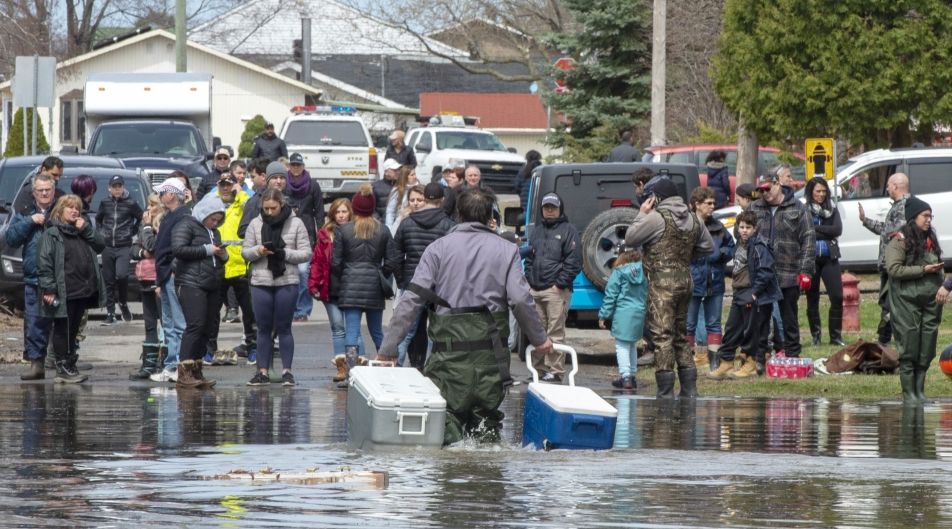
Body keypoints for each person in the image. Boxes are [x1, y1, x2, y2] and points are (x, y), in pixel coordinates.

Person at [377, 187, 553, 445]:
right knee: (486, 425)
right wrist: (539, 339)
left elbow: (411, 300)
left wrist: (388, 348)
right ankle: (487, 480)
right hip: (490, 358)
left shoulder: (437, 249)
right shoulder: (507, 250)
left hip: (447, 360)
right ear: (490, 216)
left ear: (458, 214)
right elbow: (520, 300)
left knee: (446, 424)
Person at [625, 178, 714, 398]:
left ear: (656, 197)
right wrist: (685, 257)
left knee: (662, 336)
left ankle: (665, 392)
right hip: (686, 281)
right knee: (681, 335)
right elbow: (708, 247)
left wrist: (641, 214)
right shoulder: (694, 219)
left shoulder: (656, 218)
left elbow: (630, 238)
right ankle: (689, 389)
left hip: (662, 286)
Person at [242, 188, 311, 386]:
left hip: (287, 280)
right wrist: (259, 250)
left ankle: (287, 372)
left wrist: (284, 253)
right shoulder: (256, 223)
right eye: (266, 208)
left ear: (281, 205)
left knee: (284, 328)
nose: (269, 212)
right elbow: (245, 252)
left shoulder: (296, 223)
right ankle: (262, 372)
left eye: (273, 208)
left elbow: (306, 253)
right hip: (261, 281)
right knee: (263, 328)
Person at [37, 194, 106, 384]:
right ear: (60, 210)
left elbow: (100, 245)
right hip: (63, 289)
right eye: (70, 207)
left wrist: (86, 229)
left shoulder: (81, 231)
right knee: (62, 328)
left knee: (74, 328)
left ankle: (69, 362)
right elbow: (44, 263)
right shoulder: (52, 234)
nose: (75, 211)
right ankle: (62, 366)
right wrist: (49, 289)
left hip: (82, 288)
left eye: (77, 208)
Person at [331, 184, 394, 384]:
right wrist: (380, 274)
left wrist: (344, 278)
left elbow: (336, 262)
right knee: (377, 330)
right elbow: (391, 261)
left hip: (350, 285)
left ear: (355, 208)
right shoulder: (383, 230)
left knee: (352, 331)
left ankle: (351, 373)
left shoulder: (344, 230)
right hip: (374, 285)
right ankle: (387, 368)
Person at [750, 168, 815, 360]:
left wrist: (805, 270)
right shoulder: (754, 208)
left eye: (768, 189)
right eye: (761, 191)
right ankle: (759, 357)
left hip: (789, 272)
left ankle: (793, 355)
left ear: (778, 184)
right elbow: (742, 234)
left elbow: (809, 239)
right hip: (763, 275)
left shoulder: (798, 207)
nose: (764, 194)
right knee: (761, 319)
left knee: (789, 318)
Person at [708, 211, 781, 380]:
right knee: (732, 329)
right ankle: (726, 362)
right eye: (741, 227)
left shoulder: (759, 246)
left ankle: (752, 363)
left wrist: (756, 292)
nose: (744, 230)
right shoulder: (739, 244)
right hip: (739, 292)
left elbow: (766, 271)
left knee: (753, 331)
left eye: (748, 227)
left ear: (755, 229)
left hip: (754, 294)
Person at [389, 182, 455, 367]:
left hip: (413, 282)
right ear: (442, 200)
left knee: (406, 329)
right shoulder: (449, 225)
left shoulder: (407, 223)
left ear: (424, 198)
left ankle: (395, 369)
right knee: (438, 331)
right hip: (440, 286)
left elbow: (394, 256)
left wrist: (403, 281)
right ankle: (435, 371)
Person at [886, 197, 943, 403]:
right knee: (909, 345)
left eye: (930, 216)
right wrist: (923, 269)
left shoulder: (930, 240)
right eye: (925, 216)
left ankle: (920, 392)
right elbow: (893, 269)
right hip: (905, 300)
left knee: (927, 346)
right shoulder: (899, 240)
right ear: (913, 217)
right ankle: (908, 394)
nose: (929, 220)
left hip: (931, 300)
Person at [171, 194, 228, 389]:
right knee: (195, 325)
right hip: (190, 282)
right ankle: (184, 370)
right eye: (212, 219)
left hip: (211, 284)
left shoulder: (214, 232)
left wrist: (223, 255)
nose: (215, 223)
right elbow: (178, 249)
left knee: (207, 328)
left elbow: (215, 255)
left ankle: (196, 369)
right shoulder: (187, 225)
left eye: (218, 221)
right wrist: (206, 250)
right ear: (204, 213)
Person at [524, 192, 582, 382]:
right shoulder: (537, 231)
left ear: (560, 209)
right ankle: (538, 371)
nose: (549, 211)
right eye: (546, 207)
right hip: (535, 288)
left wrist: (560, 284)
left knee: (555, 331)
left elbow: (574, 261)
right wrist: (529, 279)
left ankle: (556, 372)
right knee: (536, 331)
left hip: (556, 291)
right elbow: (529, 258)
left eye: (553, 208)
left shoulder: (569, 230)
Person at [308, 198, 366, 383]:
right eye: (338, 212)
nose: (341, 215)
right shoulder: (325, 234)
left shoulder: (358, 231)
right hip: (330, 287)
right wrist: (313, 284)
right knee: (338, 327)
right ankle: (342, 367)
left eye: (344, 211)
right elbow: (317, 261)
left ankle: (360, 366)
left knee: (354, 329)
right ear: (332, 214)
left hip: (351, 286)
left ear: (350, 212)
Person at [7, 174, 57, 380]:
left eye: (47, 189)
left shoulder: (62, 209)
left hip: (59, 278)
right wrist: (30, 221)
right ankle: (37, 364)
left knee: (61, 322)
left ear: (53, 190)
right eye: (40, 190)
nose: (44, 193)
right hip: (34, 278)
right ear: (34, 192)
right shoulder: (25, 212)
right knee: (35, 322)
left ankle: (64, 362)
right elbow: (11, 237)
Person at [203, 172, 256, 366]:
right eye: (222, 184)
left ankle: (253, 349)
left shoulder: (243, 203)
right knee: (212, 313)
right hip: (220, 267)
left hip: (241, 266)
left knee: (250, 314)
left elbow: (252, 205)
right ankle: (209, 351)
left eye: (229, 184)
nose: (226, 188)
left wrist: (240, 192)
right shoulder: (213, 203)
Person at [687, 187, 734, 372]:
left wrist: (721, 254)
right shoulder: (688, 225)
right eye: (708, 203)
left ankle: (714, 360)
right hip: (692, 280)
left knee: (714, 322)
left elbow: (730, 246)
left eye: (713, 203)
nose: (712, 206)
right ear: (697, 205)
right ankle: (687, 361)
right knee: (689, 323)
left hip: (714, 280)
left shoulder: (717, 226)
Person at [860, 172, 910, 347]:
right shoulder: (896, 206)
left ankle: (886, 341)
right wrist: (865, 220)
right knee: (887, 304)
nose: (887, 188)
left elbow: (891, 232)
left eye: (888, 185)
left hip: (895, 265)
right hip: (888, 264)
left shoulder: (904, 207)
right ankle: (884, 341)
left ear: (896, 186)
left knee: (892, 305)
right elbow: (886, 229)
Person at [150, 177, 190, 383]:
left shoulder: (182, 216)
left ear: (172, 194)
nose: (160, 196)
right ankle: (171, 365)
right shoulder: (170, 216)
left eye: (162, 192)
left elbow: (179, 247)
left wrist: (173, 271)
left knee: (178, 323)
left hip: (172, 275)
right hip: (165, 276)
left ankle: (180, 366)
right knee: (168, 324)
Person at [803, 177, 845, 347]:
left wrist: (816, 229)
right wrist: (824, 232)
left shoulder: (832, 209)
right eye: (817, 191)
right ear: (811, 192)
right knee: (812, 297)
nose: (821, 194)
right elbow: (805, 232)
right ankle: (816, 336)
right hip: (811, 258)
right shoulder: (804, 209)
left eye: (823, 191)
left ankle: (835, 336)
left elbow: (837, 230)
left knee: (837, 296)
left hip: (830, 257)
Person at [96, 174, 143, 324]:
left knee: (122, 275)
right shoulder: (104, 202)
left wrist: (133, 231)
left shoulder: (130, 203)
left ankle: (122, 302)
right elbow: (98, 218)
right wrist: (101, 233)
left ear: (123, 187)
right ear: (109, 188)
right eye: (114, 187)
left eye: (119, 186)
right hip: (108, 245)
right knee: (108, 279)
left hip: (124, 244)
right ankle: (110, 312)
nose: (117, 190)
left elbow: (141, 217)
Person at [598, 250, 647, 390]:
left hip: (623, 312)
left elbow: (610, 295)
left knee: (622, 345)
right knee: (632, 344)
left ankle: (625, 378)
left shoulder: (619, 272)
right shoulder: (645, 271)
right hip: (639, 312)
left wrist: (603, 315)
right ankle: (631, 376)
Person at [285, 152, 324, 322]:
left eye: (298, 165)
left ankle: (303, 309)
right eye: (293, 165)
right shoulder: (283, 184)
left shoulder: (313, 185)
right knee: (288, 272)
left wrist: (322, 233)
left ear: (303, 167)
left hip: (307, 233)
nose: (295, 168)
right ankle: (289, 308)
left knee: (302, 272)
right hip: (286, 232)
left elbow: (319, 211)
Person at [130, 195, 164, 380]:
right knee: (149, 323)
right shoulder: (145, 225)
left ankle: (165, 362)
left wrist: (148, 227)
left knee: (165, 323)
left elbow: (153, 244)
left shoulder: (161, 223)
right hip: (145, 278)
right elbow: (135, 248)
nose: (148, 208)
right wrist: (142, 252)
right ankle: (149, 364)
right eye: (148, 204)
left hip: (159, 278)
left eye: (153, 204)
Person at [239, 160, 285, 239]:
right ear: (267, 178)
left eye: (282, 178)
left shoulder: (289, 200)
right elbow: (242, 230)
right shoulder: (255, 201)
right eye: (274, 178)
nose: (279, 181)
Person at [385, 165, 419, 230]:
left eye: (415, 174)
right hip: (400, 225)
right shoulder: (397, 190)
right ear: (405, 177)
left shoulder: (420, 188)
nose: (415, 177)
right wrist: (389, 227)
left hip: (416, 225)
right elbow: (390, 211)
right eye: (412, 175)